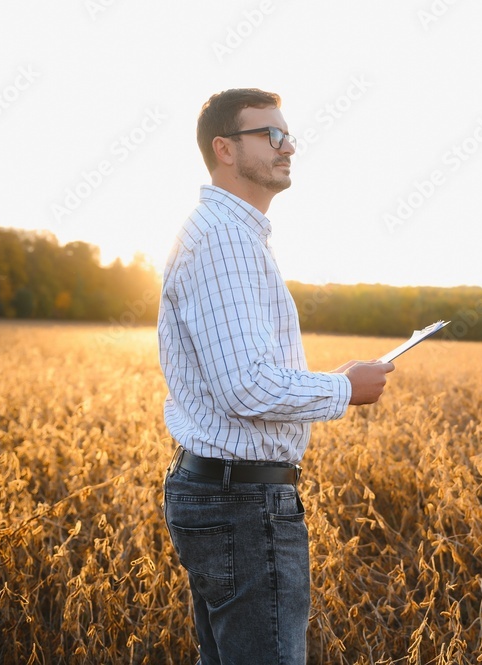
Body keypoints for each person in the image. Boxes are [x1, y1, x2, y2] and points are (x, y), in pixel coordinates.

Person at [157, 88, 395, 664]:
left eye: (287, 133)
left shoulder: (223, 233)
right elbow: (245, 388)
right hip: (242, 501)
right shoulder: (226, 240)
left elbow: (246, 374)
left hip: (225, 493)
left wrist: (328, 379)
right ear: (225, 149)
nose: (289, 145)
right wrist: (345, 388)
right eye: (271, 134)